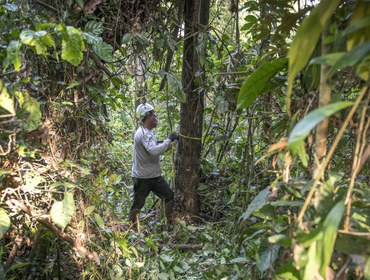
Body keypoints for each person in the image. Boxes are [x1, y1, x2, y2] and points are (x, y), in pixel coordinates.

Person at [129, 102, 178, 230]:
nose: (156, 117)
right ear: (148, 116)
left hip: (154, 176)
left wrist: (171, 143)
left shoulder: (148, 132)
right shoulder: (143, 133)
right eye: (153, 114)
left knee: (168, 196)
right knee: (138, 204)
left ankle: (168, 225)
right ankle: (133, 229)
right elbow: (154, 150)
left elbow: (156, 147)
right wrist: (168, 140)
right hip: (142, 177)